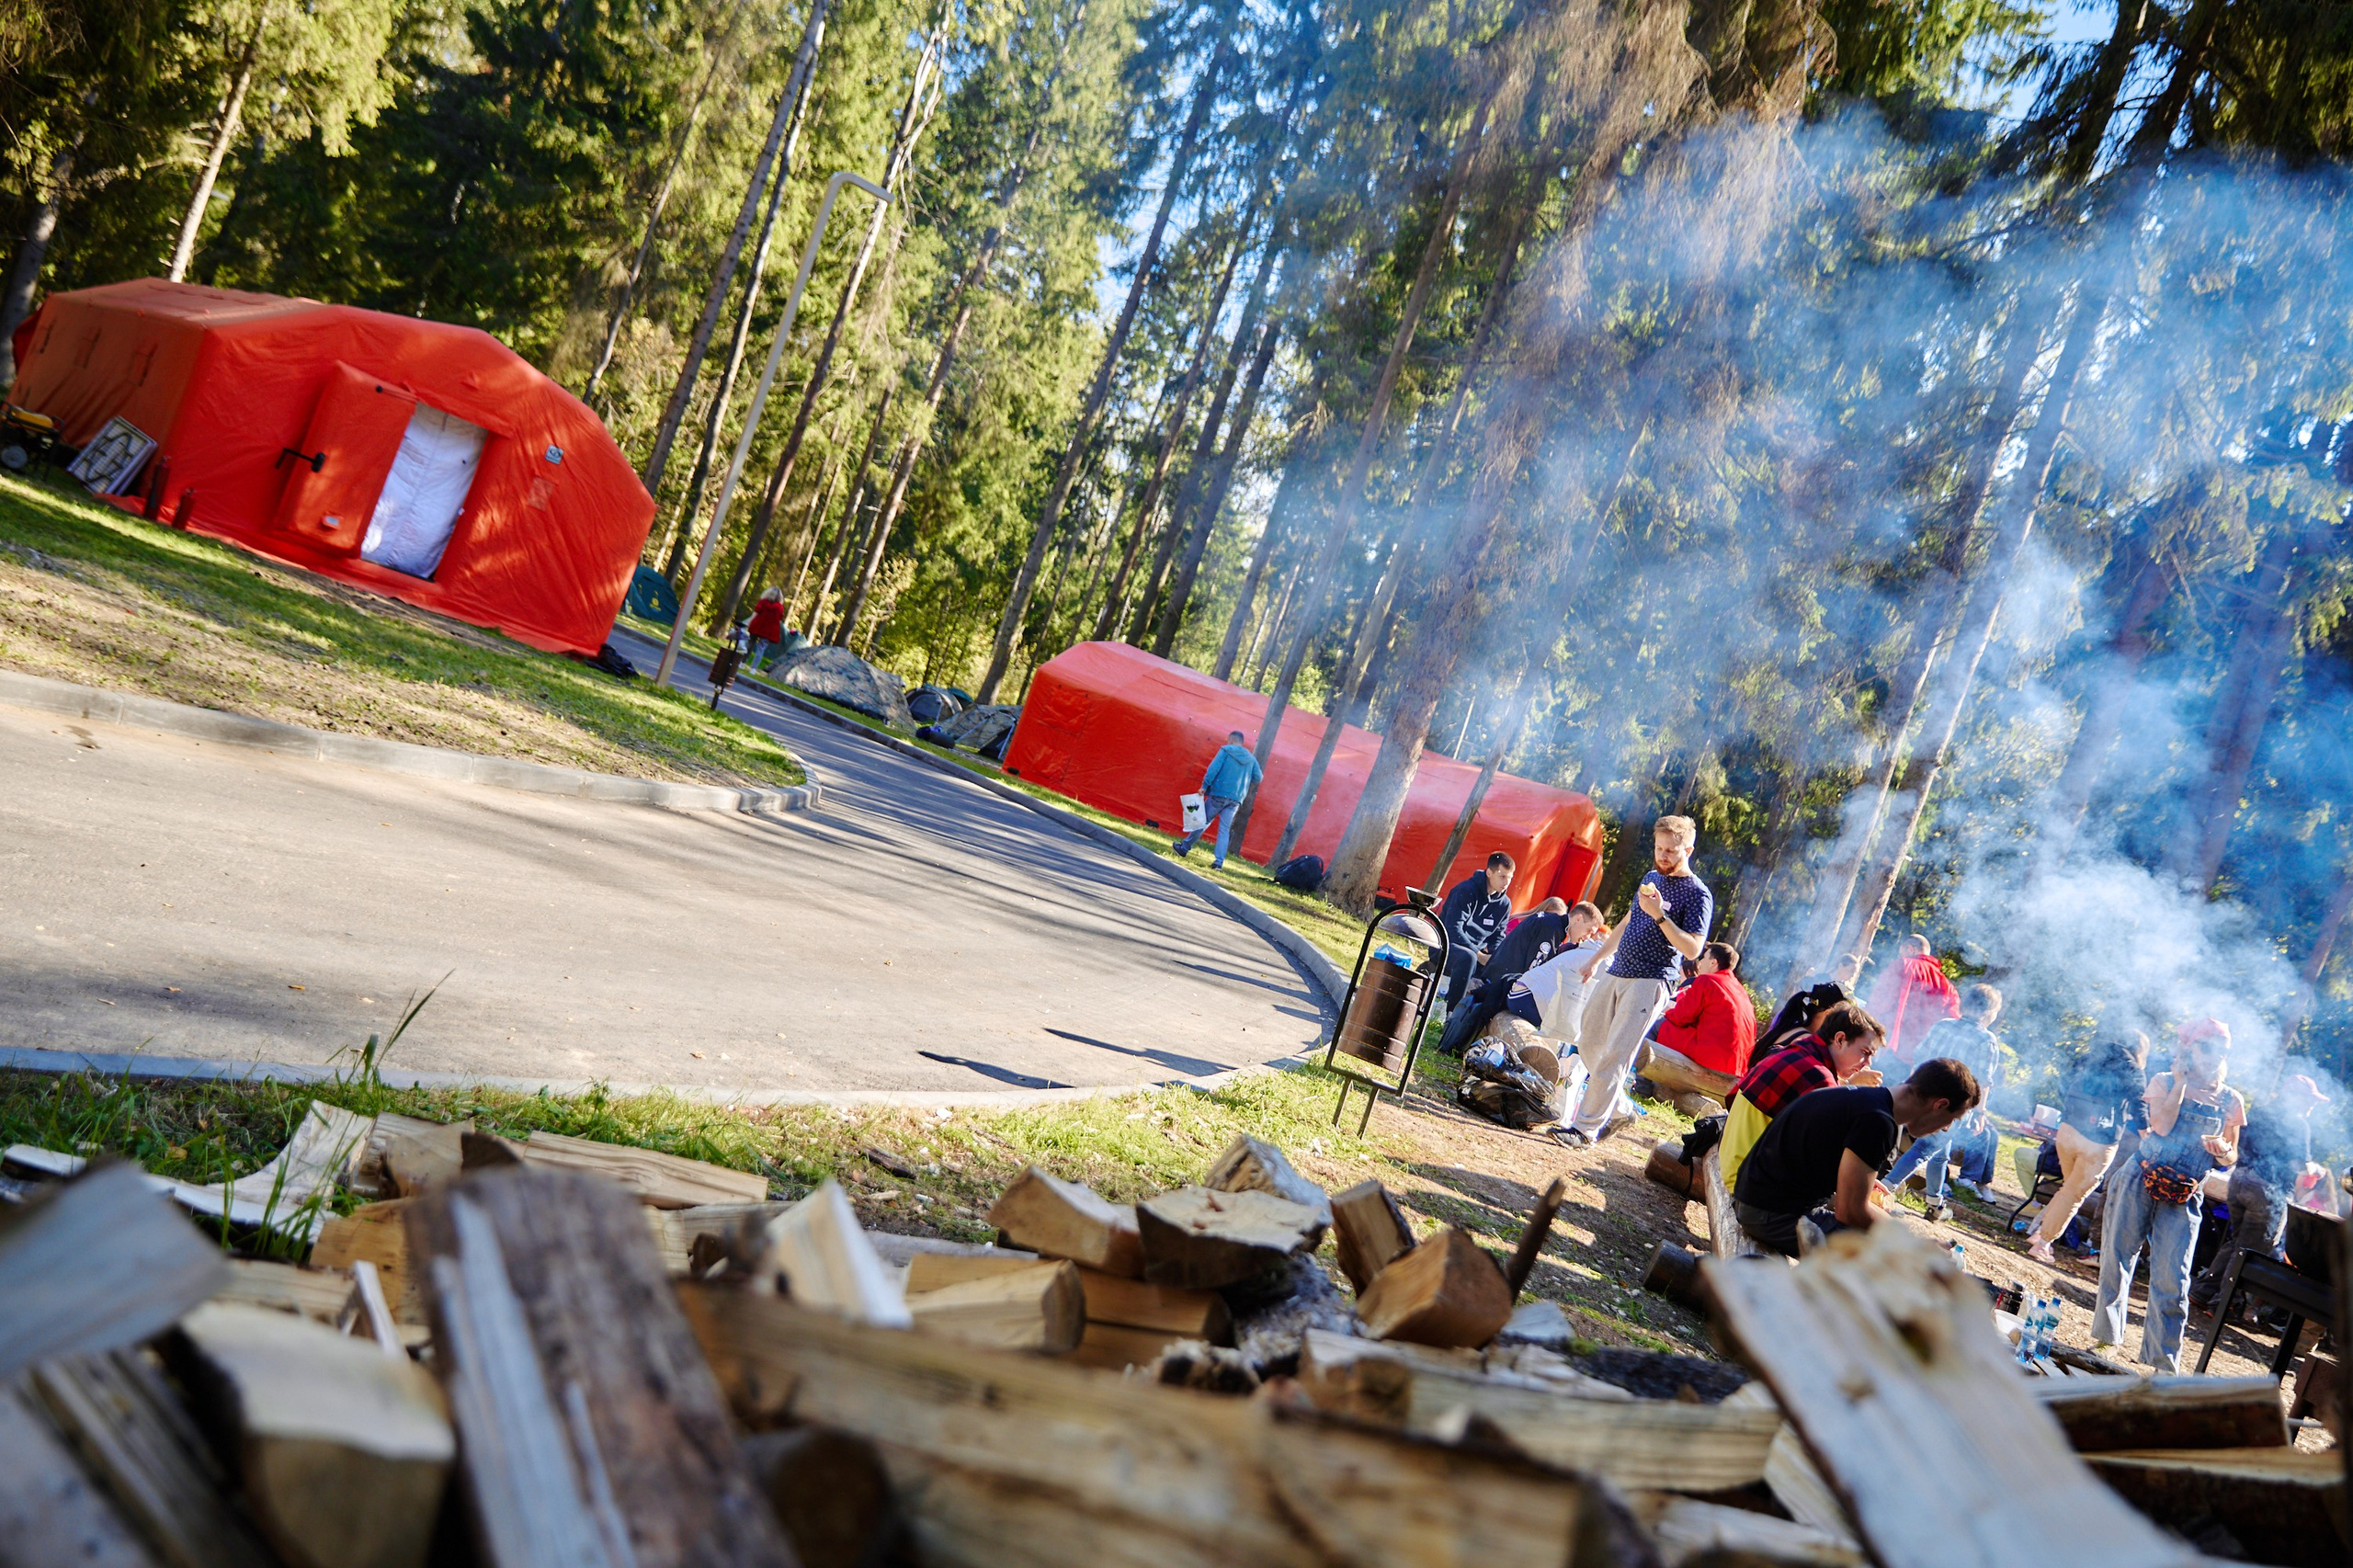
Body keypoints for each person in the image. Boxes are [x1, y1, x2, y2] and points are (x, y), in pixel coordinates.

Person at [2092, 1019, 2246, 1373]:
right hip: (2141, 1176)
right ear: (2189, 1049)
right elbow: (2160, 1127)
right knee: (2118, 1257)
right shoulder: (2163, 1080)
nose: (2214, 1056)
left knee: (2174, 1278)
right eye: (2206, 1047)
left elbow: (2231, 1156)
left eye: (2220, 1049)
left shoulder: (2230, 1099)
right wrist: (2179, 1083)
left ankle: (2163, 1363)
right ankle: (2106, 1338)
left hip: (2185, 1193)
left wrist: (2222, 1148)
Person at [1555, 816, 1712, 1148]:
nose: (1663, 856)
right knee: (1589, 1041)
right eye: (1659, 848)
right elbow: (1628, 920)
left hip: (1652, 979)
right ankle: (1620, 1107)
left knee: (1615, 1055)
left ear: (1689, 849)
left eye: (1671, 851)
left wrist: (1659, 914)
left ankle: (1584, 1131)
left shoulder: (1698, 893)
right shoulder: (1651, 877)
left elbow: (1693, 948)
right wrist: (1596, 959)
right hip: (1617, 970)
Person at [1733, 1059, 1980, 1257]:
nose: (1945, 1128)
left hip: (1757, 1202)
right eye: (1952, 1120)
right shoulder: (1878, 1122)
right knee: (1895, 1259)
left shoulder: (1866, 1100)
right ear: (1940, 1104)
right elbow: (1850, 1212)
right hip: (1770, 1215)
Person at [2191, 1072, 2331, 1321]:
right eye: (2309, 1100)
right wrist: (2317, 1170)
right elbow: (2301, 1166)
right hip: (2269, 1190)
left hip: (2239, 1180)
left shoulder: (2259, 1111)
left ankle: (2204, 1291)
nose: (2312, 1105)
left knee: (2237, 1242)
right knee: (2253, 1251)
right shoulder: (2298, 1123)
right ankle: (2225, 1303)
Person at [1718, 1000, 1885, 1193]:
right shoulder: (1819, 1078)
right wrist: (1860, 1180)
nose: (1867, 1063)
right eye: (1865, 1052)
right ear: (1839, 1039)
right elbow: (1821, 1157)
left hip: (1733, 1165)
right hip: (1749, 1184)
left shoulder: (1801, 1052)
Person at [2026, 1032, 2150, 1264]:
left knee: (2068, 1188)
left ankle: (2039, 1233)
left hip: (2068, 1130)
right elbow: (2139, 1106)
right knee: (2073, 1193)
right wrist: (2147, 1137)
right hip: (2099, 1141)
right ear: (2140, 1051)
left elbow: (2066, 1078)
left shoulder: (2093, 1056)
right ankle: (2043, 1243)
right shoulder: (2133, 1071)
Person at [1884, 984, 2005, 1221]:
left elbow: (1920, 1058)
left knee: (1940, 1154)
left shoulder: (1943, 1025)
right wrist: (1980, 1114)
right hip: (1952, 1107)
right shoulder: (1986, 1039)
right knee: (1924, 1149)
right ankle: (1883, 1187)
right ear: (1988, 1013)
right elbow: (1983, 1080)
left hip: (1923, 1094)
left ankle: (1935, 1203)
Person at [1649, 941, 1759, 1079]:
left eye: (1704, 957)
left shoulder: (1707, 980)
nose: (1700, 962)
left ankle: (1643, 1085)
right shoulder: (1740, 990)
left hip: (1712, 1056)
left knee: (1656, 1025)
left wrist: (1666, 1011)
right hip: (1739, 1066)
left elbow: (1680, 1017)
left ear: (1713, 963)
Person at [1436, 853, 1517, 1011]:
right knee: (1468, 958)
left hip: (1476, 955)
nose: (1506, 883)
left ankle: (1479, 1019)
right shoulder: (1465, 891)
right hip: (1445, 945)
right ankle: (1452, 1014)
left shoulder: (1505, 904)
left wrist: (1496, 957)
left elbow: (1497, 937)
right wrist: (1479, 955)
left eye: (1510, 878)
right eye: (1502, 876)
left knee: (1506, 970)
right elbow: (1453, 929)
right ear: (1489, 873)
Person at [1172, 730, 1262, 869]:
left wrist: (1205, 786)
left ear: (1231, 740)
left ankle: (1184, 847)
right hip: (1236, 799)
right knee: (1224, 830)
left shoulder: (1226, 751)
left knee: (1202, 821)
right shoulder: (1251, 759)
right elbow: (1258, 777)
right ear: (1241, 742)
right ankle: (1218, 863)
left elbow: (1213, 769)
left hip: (1219, 794)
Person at [1867, 934, 1959, 1068]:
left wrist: (1863, 1024)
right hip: (1919, 1059)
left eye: (1901, 953)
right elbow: (1952, 1021)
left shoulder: (1903, 965)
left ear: (1910, 949)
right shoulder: (1947, 985)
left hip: (1889, 1047)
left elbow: (1880, 1001)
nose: (1900, 956)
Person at [745, 587, 788, 670]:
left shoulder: (763, 602)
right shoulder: (780, 608)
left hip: (757, 626)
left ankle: (742, 662)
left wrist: (749, 622)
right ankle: (753, 669)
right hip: (769, 631)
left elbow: (756, 613)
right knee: (761, 649)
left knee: (750, 644)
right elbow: (779, 620)